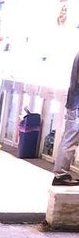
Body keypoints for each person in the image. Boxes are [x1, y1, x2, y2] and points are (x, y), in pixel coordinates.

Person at [52, 47, 79, 186]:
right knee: (70, 140)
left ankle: (61, 174)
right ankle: (61, 174)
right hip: (77, 105)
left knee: (70, 139)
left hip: (75, 102)